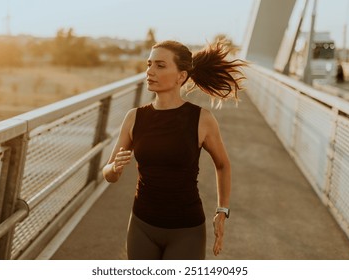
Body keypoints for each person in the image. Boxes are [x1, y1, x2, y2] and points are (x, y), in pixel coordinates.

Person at [102, 40, 246, 260]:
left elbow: (222, 164)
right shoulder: (134, 117)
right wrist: (115, 168)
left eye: (160, 65)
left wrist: (222, 211)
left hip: (187, 231)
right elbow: (108, 175)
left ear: (181, 76)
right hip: (142, 226)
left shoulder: (202, 119)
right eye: (149, 64)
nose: (150, 71)